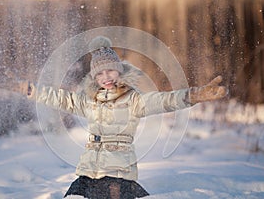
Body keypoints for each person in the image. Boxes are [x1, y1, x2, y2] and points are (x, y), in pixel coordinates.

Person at [19, 36, 227, 199]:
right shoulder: (90, 100)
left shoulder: (133, 99)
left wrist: (193, 95)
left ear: (119, 71)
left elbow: (163, 100)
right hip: (89, 172)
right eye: (100, 74)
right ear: (94, 77)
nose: (106, 77)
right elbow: (64, 99)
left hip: (116, 174)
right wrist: (34, 91)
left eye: (110, 70)